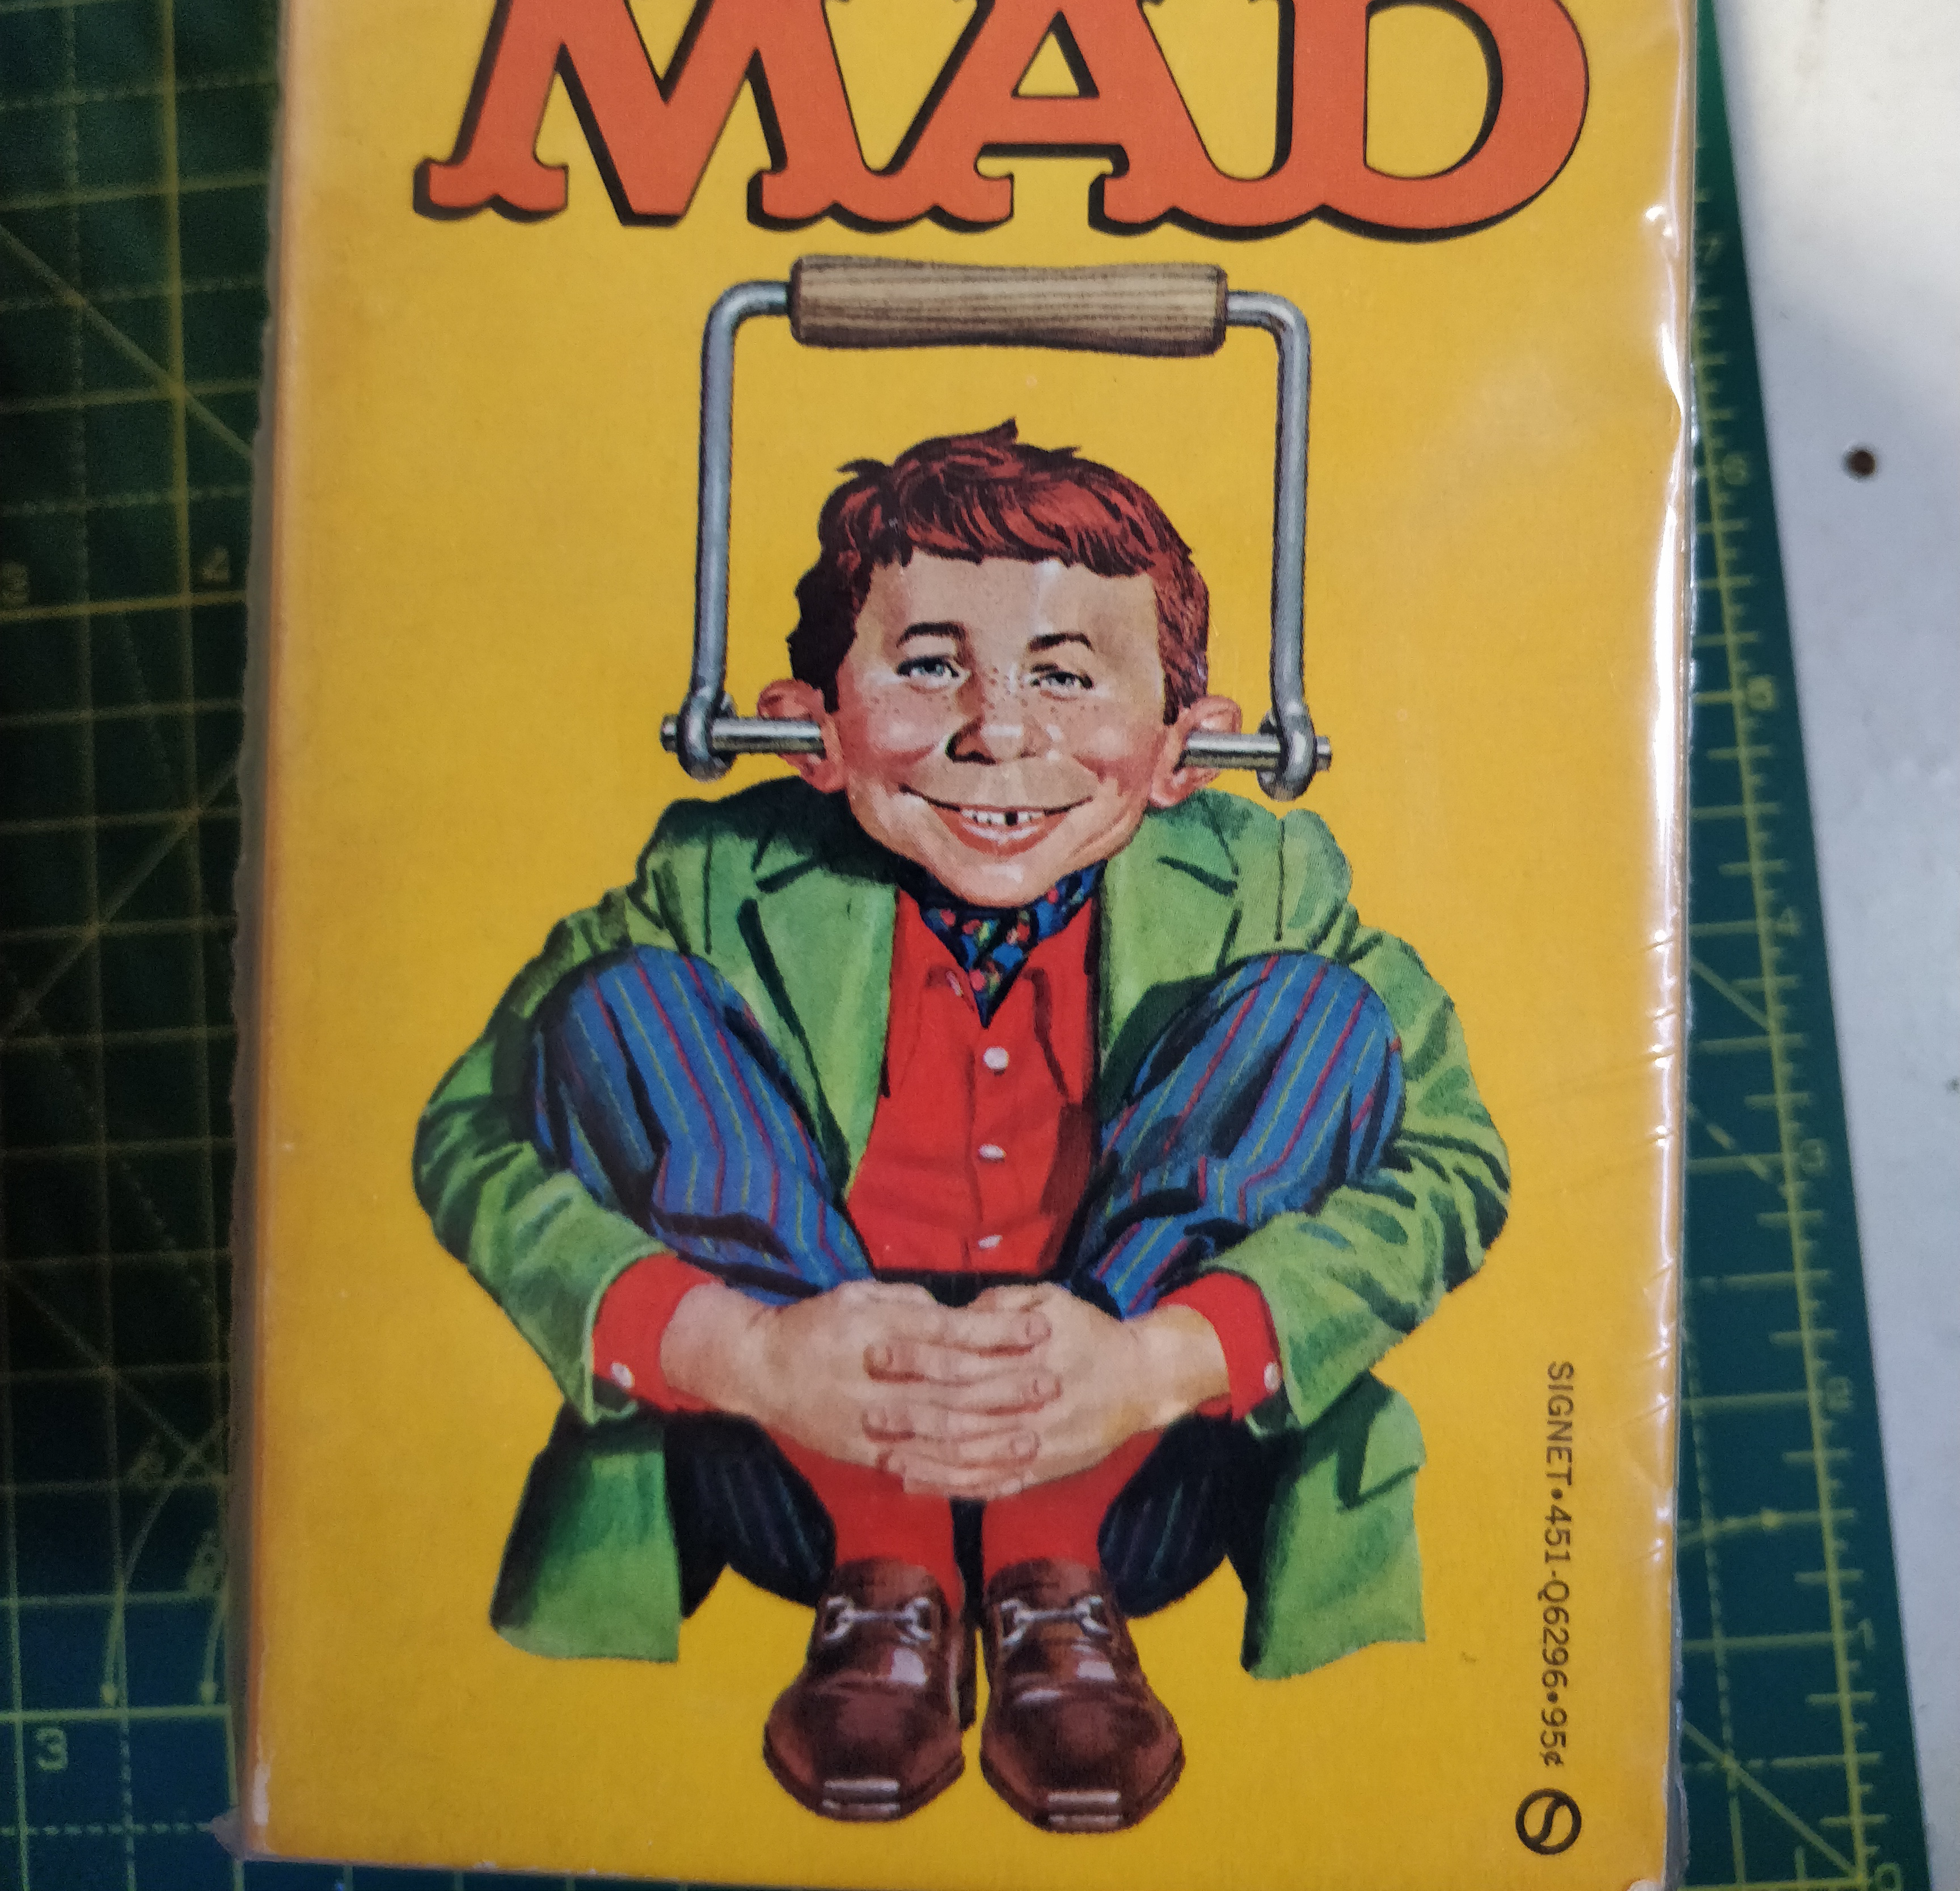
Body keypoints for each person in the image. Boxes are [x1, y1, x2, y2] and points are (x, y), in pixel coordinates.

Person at [413, 424, 1508, 1833]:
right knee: (624, 1007)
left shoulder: (1275, 882)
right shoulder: (712, 875)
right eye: (931, 667)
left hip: (1142, 1475)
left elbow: (1453, 1163)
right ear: (813, 725)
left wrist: (1157, 1359)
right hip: (799, 1471)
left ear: (1183, 744)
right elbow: (472, 1136)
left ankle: (1052, 1566)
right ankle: (894, 1564)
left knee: (1319, 1018)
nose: (999, 733)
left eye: (1067, 675)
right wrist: (744, 1352)